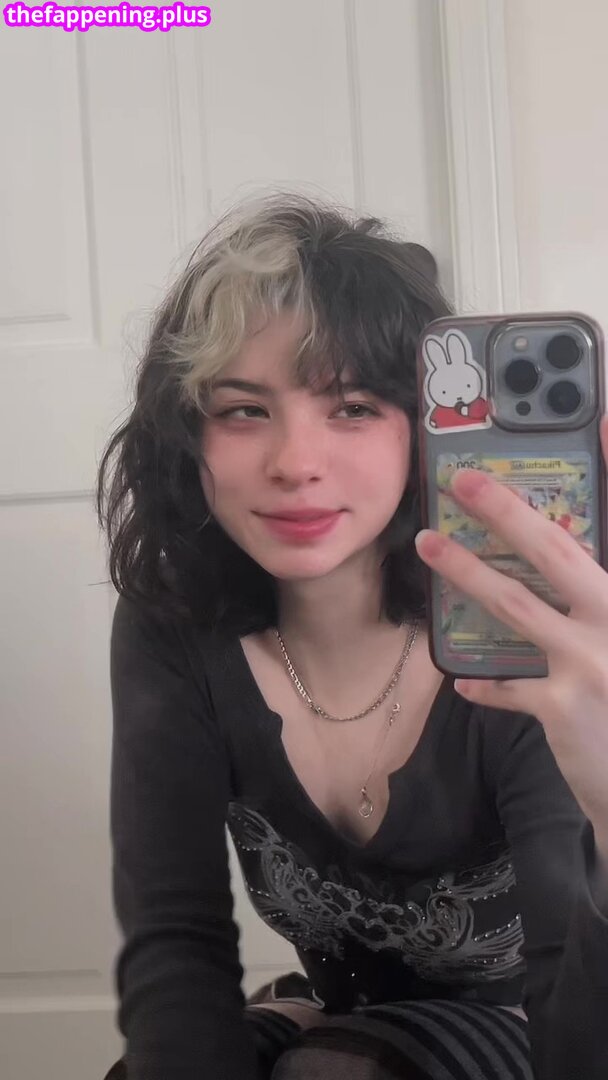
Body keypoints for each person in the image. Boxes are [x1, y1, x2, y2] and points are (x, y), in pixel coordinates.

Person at [97, 192, 608, 1080]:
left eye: (354, 406)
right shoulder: (172, 622)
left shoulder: (518, 637)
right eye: (243, 410)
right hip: (336, 1011)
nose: (295, 462)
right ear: (186, 435)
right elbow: (175, 942)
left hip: (543, 1019)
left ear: (427, 430)